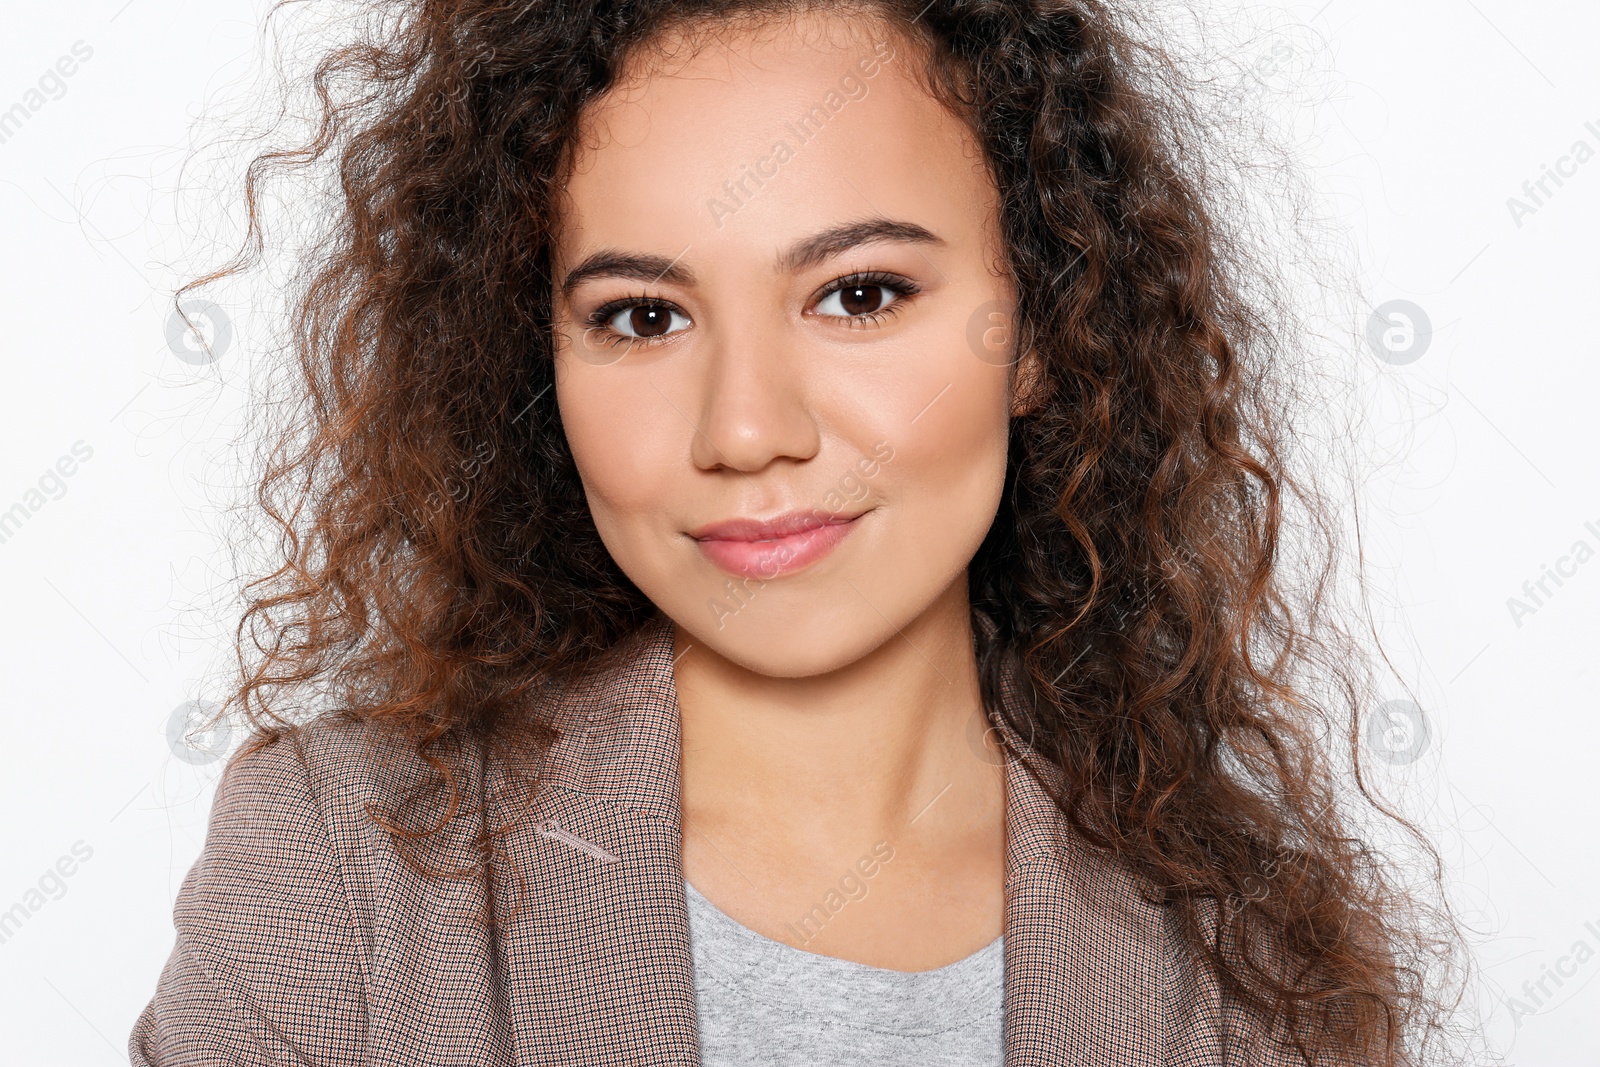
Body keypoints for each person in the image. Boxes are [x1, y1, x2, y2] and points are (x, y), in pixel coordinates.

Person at [129, 1, 1466, 1064]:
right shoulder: (342, 869)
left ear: (1044, 326)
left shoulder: (1245, 976)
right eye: (643, 316)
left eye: (860, 294)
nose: (747, 429)